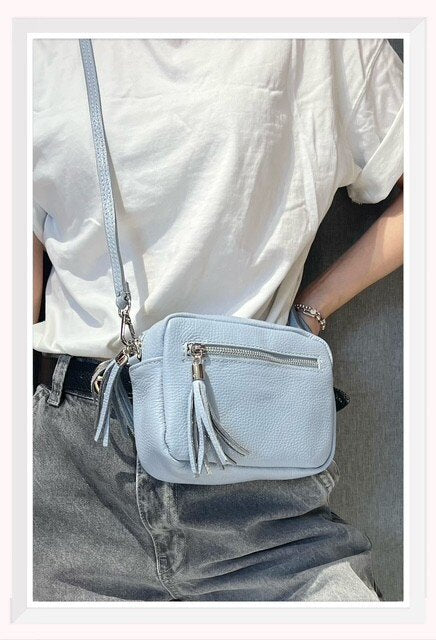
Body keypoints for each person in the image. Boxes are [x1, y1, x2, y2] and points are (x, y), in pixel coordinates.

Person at [33, 37, 403, 601]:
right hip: (69, 479)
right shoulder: (33, 45)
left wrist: (312, 309)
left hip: (264, 505)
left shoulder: (320, 33)